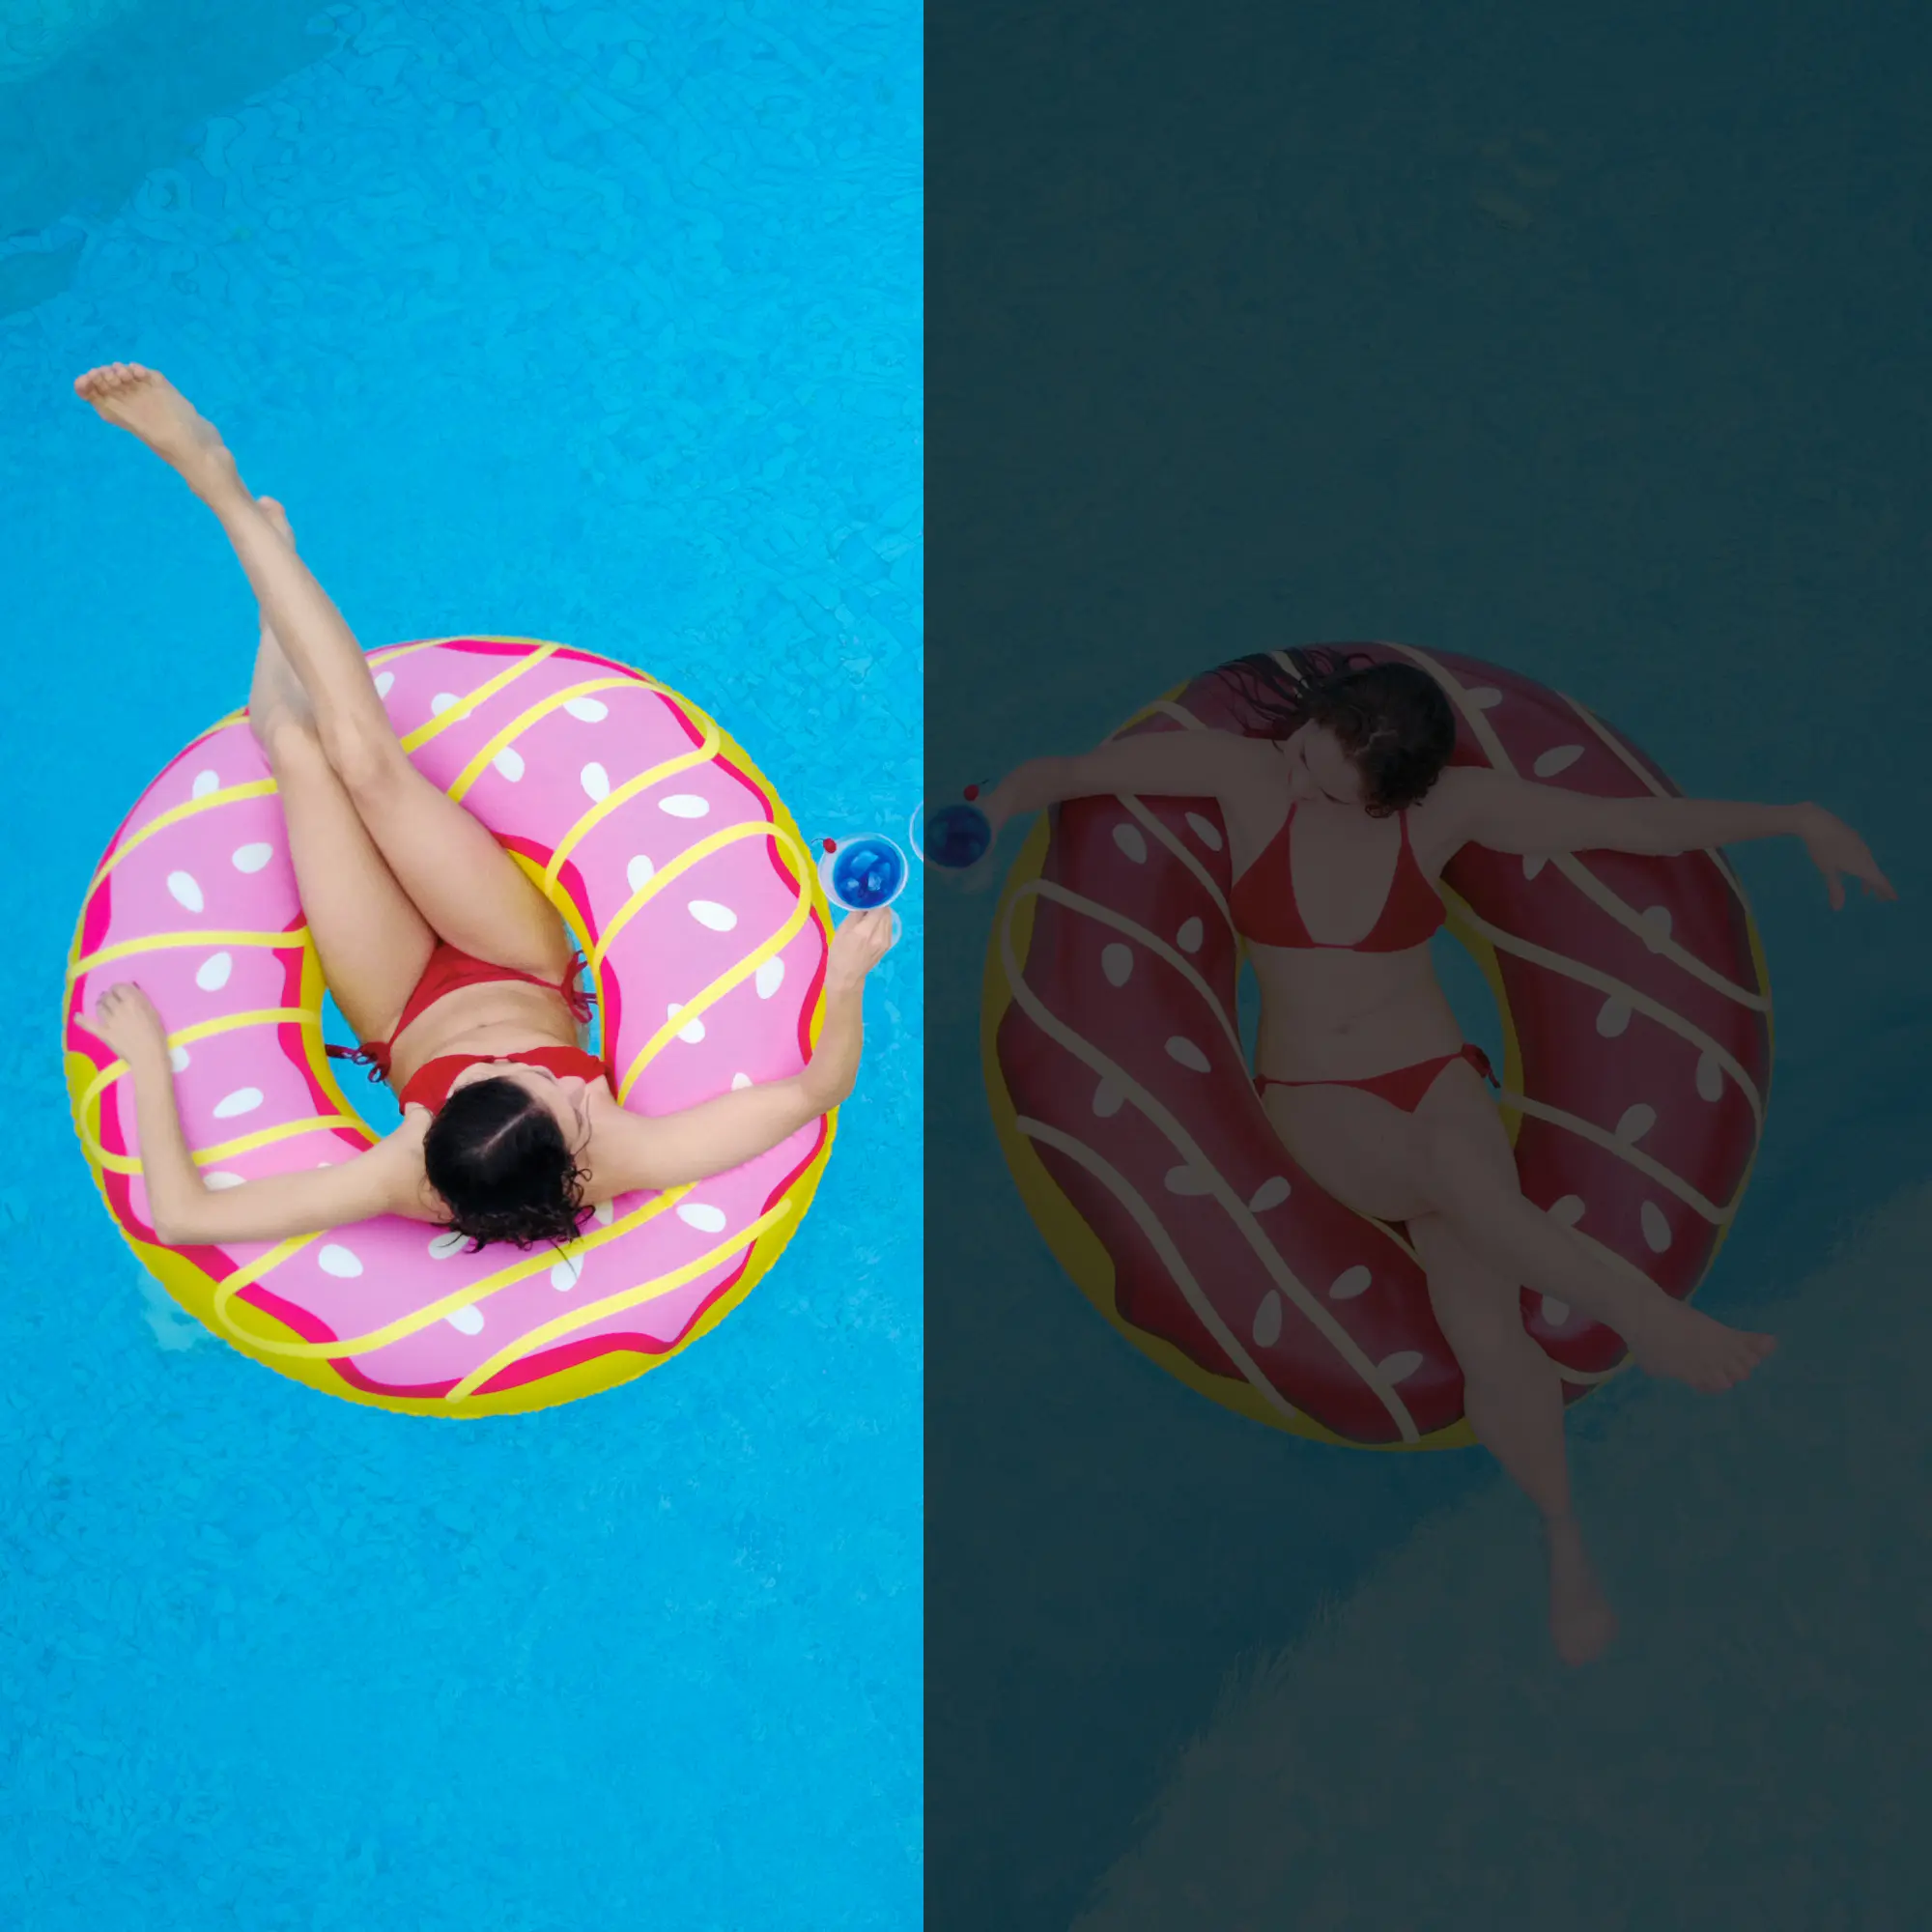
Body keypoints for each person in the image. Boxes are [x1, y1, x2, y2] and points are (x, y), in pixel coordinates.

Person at [980, 647, 1894, 1664]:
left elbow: (1624, 826)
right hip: (1319, 1100)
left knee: (1487, 1333)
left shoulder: (1446, 811)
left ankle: (1561, 1539)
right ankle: (1648, 1318)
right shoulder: (1251, 773)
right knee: (1458, 1189)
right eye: (1302, 749)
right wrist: (992, 809)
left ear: (1387, 797)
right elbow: (1065, 776)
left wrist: (1793, 818)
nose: (1296, 775)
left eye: (1327, 780)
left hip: (1436, 1073)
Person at [73, 362, 894, 1254]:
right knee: (365, 761)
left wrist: (147, 1061)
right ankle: (223, 493)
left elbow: (182, 1217)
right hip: (518, 962)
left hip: (393, 1010)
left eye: (488, 1078)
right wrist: (847, 978)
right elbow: (816, 1091)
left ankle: (267, 594)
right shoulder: (620, 1146)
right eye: (535, 1082)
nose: (506, 1058)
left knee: (312, 759)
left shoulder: (404, 1172)